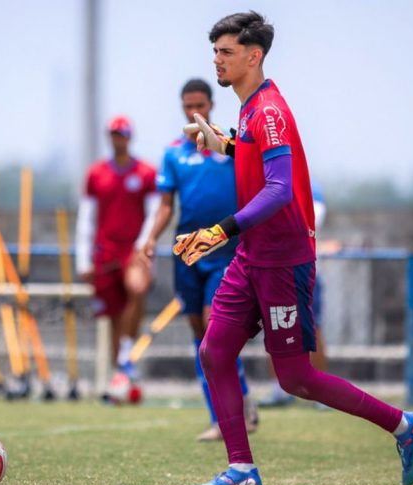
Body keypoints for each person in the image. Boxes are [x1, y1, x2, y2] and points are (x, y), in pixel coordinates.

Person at [174, 12, 413, 485]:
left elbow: (279, 190)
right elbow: (255, 157)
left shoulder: (269, 111)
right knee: (214, 351)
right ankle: (241, 471)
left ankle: (405, 425)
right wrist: (224, 143)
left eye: (226, 52)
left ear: (254, 56)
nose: (217, 61)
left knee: (296, 378)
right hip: (253, 256)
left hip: (283, 261)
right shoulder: (251, 111)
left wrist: (220, 230)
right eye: (215, 52)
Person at [140, 78, 258, 440]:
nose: (195, 112)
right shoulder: (173, 153)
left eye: (201, 106)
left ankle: (226, 418)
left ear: (211, 106)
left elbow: (254, 183)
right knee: (199, 332)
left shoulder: (227, 146)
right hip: (187, 254)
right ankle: (236, 403)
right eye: (188, 106)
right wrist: (149, 239)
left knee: (213, 327)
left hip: (225, 250)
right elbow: (165, 205)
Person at [75, 116, 158, 381]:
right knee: (112, 316)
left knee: (138, 288)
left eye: (121, 134)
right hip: (105, 251)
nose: (117, 139)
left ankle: (125, 349)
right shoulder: (96, 174)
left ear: (129, 137)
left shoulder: (146, 173)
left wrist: (143, 244)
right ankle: (119, 376)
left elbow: (155, 212)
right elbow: (86, 218)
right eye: (113, 134)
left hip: (133, 250)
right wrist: (83, 261)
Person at [259, 184, 331, 409]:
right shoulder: (261, 185)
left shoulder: (308, 187)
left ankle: (321, 393)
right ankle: (279, 389)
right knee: (273, 327)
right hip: (271, 269)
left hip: (301, 269)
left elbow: (313, 219)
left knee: (312, 328)